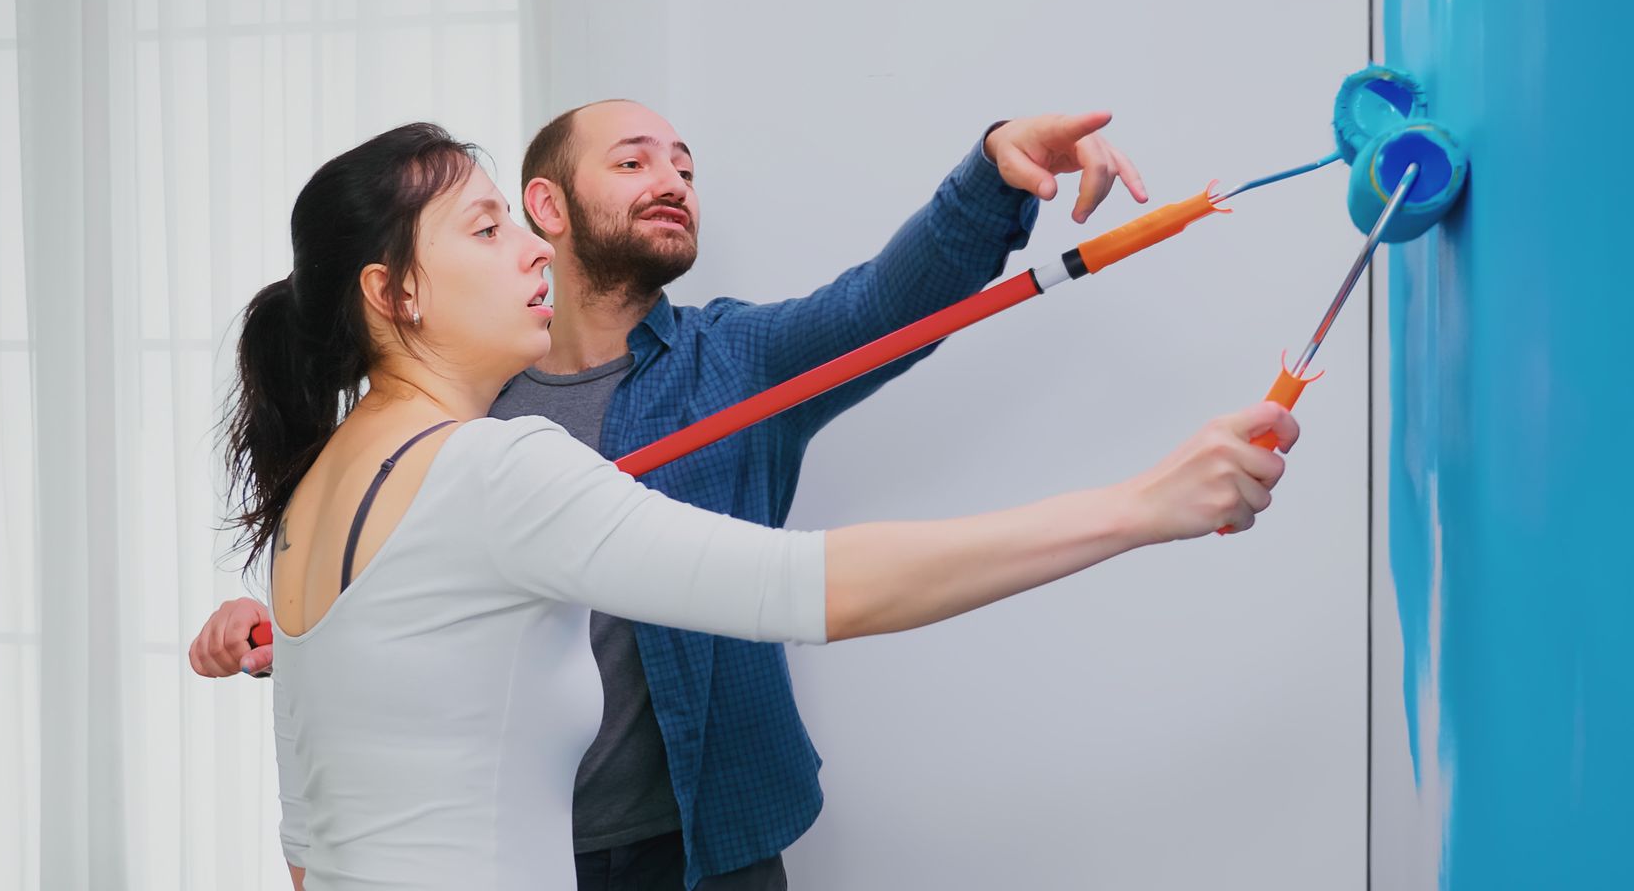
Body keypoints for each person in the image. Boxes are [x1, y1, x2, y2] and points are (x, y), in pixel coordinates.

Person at [223, 121, 1296, 890]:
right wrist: (1147, 503)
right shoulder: (494, 467)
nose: (529, 251)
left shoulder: (321, 480)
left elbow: (310, 839)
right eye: (487, 228)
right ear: (393, 293)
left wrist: (987, 176)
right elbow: (815, 588)